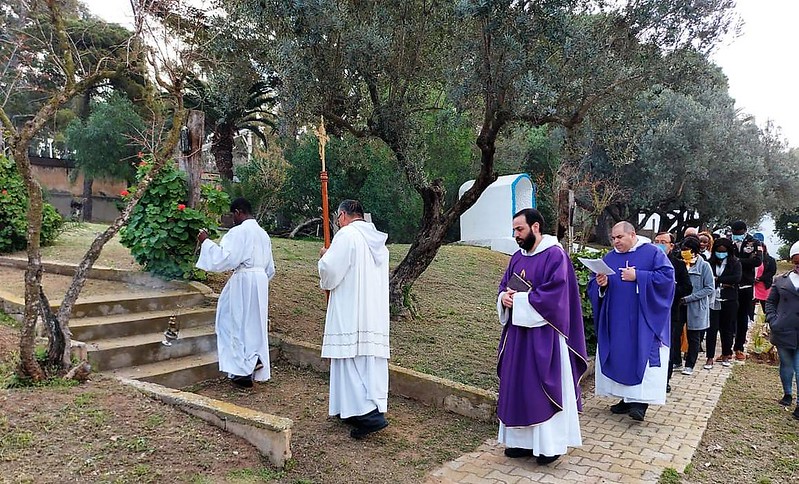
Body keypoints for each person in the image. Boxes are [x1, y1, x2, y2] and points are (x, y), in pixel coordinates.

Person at [495, 208, 588, 464]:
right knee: (518, 386)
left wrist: (519, 301)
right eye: (514, 230)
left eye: (520, 229)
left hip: (545, 336)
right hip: (518, 336)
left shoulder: (555, 255)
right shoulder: (517, 257)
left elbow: (555, 296)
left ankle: (549, 446)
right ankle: (521, 442)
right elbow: (504, 285)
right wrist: (504, 298)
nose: (516, 235)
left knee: (540, 388)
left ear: (535, 227)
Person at [318, 200, 391, 439]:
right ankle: (354, 410)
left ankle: (369, 416)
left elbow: (331, 271)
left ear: (342, 215)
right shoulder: (377, 241)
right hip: (373, 313)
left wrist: (324, 258)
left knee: (349, 361)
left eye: (337, 218)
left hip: (350, 310)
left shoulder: (347, 235)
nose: (337, 223)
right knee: (367, 364)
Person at [589, 222, 675, 421]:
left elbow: (667, 279)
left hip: (643, 320)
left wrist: (638, 276)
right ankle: (625, 399)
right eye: (613, 238)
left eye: (619, 237)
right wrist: (602, 284)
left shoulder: (653, 253)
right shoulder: (610, 257)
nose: (615, 242)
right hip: (617, 321)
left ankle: (640, 403)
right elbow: (596, 284)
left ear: (632, 234)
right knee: (620, 356)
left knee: (641, 356)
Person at [196, 197, 275, 388]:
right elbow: (270, 268)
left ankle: (243, 368)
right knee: (253, 326)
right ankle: (251, 361)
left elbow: (225, 258)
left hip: (244, 280)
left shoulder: (239, 232)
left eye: (233, 215)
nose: (233, 220)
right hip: (261, 281)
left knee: (231, 322)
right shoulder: (263, 234)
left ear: (238, 212)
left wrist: (206, 242)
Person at [765, 241, 799, 419]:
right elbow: (770, 302)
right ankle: (787, 393)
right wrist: (773, 320)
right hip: (783, 329)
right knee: (786, 364)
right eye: (796, 261)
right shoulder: (781, 280)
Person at [654, 232, 692, 392]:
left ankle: (665, 379)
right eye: (656, 241)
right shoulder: (649, 262)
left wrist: (669, 290)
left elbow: (687, 287)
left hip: (670, 312)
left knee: (667, 347)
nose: (659, 245)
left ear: (671, 245)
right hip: (650, 311)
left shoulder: (678, 264)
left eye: (663, 242)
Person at [676, 236, 714, 375]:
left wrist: (690, 298)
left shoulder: (704, 266)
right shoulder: (680, 264)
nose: (684, 252)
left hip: (696, 305)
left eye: (687, 249)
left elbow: (709, 288)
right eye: (683, 249)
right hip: (679, 304)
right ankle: (676, 360)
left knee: (694, 336)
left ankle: (690, 364)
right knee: (675, 333)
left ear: (694, 251)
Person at [706, 238, 741, 369]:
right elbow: (708, 279)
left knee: (727, 329)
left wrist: (718, 279)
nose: (721, 253)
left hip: (729, 300)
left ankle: (726, 354)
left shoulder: (735, 263)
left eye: (723, 251)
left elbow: (736, 278)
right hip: (713, 300)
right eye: (718, 251)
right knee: (711, 330)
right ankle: (710, 357)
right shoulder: (709, 263)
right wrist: (724, 281)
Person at [730, 220, 762, 360]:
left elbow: (757, 261)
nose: (736, 235)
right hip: (731, 284)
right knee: (729, 317)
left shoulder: (754, 243)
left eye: (738, 233)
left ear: (744, 231)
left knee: (742, 317)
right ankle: (726, 350)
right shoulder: (728, 242)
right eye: (734, 233)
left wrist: (737, 261)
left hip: (746, 284)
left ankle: (739, 347)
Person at [754, 243, 777, 314]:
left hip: (764, 285)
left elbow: (772, 272)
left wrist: (760, 279)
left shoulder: (770, 260)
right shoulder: (752, 258)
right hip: (753, 285)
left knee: (766, 306)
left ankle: (768, 317)